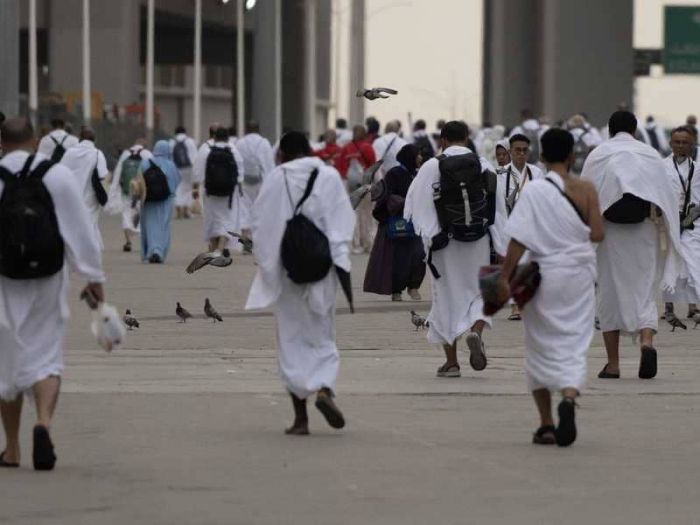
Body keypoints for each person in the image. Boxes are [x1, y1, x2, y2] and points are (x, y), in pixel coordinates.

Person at [0, 117, 105, 470]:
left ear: (1, 143)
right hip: (48, 277)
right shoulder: (56, 175)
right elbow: (79, 229)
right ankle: (43, 423)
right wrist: (93, 276)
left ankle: (12, 449)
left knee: (7, 359)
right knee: (46, 355)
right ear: (35, 141)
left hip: (5, 279)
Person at [496, 128, 604, 447]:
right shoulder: (586, 189)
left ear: (541, 156)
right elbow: (598, 233)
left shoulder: (534, 191)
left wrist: (504, 277)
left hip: (543, 276)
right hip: (578, 276)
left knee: (539, 345)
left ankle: (545, 424)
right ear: (572, 155)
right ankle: (569, 396)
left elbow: (518, 239)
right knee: (573, 341)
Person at [245, 131, 355, 435]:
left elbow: (261, 225)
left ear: (281, 154)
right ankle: (324, 388)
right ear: (310, 150)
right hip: (323, 268)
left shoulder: (276, 178)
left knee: (290, 339)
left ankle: (300, 419)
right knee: (322, 333)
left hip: (288, 270)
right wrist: (340, 261)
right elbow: (343, 221)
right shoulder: (329, 176)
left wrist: (268, 267)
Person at [581, 110, 682, 380]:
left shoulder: (599, 155)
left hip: (609, 233)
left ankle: (613, 364)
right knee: (644, 291)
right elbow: (666, 196)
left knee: (609, 293)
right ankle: (646, 342)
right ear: (635, 130)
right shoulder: (649, 155)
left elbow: (586, 197)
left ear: (610, 130)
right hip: (644, 230)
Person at [404, 121, 507, 378]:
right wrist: (501, 244)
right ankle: (476, 332)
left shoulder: (431, 166)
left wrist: (429, 239)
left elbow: (414, 206)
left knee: (446, 299)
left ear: (443, 140)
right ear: (467, 138)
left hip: (445, 243)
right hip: (479, 241)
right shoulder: (482, 164)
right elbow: (497, 209)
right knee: (482, 291)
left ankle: (451, 363)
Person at [364, 144, 426, 301]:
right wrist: (405, 202)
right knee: (400, 258)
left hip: (417, 221)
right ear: (410, 157)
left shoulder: (419, 174)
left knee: (419, 254)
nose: (420, 158)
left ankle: (414, 287)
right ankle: (396, 290)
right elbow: (386, 196)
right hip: (399, 221)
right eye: (418, 154)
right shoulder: (394, 173)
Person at [498, 133, 544, 320]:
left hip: (531, 225)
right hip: (509, 224)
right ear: (510, 151)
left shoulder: (536, 173)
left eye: (525, 150)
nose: (521, 154)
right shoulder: (500, 174)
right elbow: (498, 205)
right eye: (517, 150)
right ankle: (515, 306)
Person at [191, 126, 248, 269]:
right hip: (229, 192)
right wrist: (239, 185)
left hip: (210, 191)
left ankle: (214, 248)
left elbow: (197, 171)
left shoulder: (206, 149)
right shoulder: (233, 149)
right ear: (227, 138)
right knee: (226, 219)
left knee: (212, 219)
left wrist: (195, 187)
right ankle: (220, 248)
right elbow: (240, 172)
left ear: (214, 137)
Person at [663, 126, 700, 319]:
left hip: (693, 223)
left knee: (693, 262)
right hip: (668, 221)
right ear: (670, 144)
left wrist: (687, 220)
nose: (680, 146)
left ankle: (694, 305)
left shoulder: (698, 169)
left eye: (685, 142)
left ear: (692, 145)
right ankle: (668, 307)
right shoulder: (662, 166)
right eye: (677, 142)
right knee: (669, 262)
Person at [130, 140, 180, 263]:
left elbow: (138, 181)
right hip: (165, 201)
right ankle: (158, 252)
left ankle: (149, 252)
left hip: (148, 200)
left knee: (148, 226)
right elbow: (177, 180)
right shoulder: (171, 165)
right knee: (163, 226)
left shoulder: (145, 163)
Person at [60, 126, 109, 250]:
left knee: (73, 223)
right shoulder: (97, 154)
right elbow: (103, 175)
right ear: (94, 139)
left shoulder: (69, 153)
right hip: (90, 196)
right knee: (90, 223)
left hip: (71, 195)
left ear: (80, 138)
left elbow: (61, 171)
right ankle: (89, 249)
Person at [336, 126, 378, 254]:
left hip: (351, 185)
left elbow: (340, 167)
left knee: (354, 214)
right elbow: (373, 166)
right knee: (367, 214)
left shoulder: (346, 148)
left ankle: (356, 245)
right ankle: (368, 243)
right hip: (366, 184)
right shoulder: (367, 147)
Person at [109, 139, 152, 252]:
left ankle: (128, 241)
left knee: (126, 213)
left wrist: (114, 191)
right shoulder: (147, 154)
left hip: (127, 189)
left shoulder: (125, 154)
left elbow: (118, 173)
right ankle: (143, 239)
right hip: (141, 190)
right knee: (141, 213)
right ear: (144, 145)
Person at [235, 121, 276, 202]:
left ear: (246, 130)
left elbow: (236, 162)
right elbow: (269, 164)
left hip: (244, 182)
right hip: (260, 182)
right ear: (258, 130)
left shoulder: (240, 143)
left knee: (245, 205)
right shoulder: (264, 143)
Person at [169, 126, 198, 220]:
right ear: (185, 132)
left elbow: (170, 157)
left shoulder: (171, 142)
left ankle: (178, 210)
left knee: (178, 188)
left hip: (176, 168)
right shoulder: (190, 141)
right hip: (189, 168)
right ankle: (186, 210)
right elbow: (195, 156)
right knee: (188, 189)